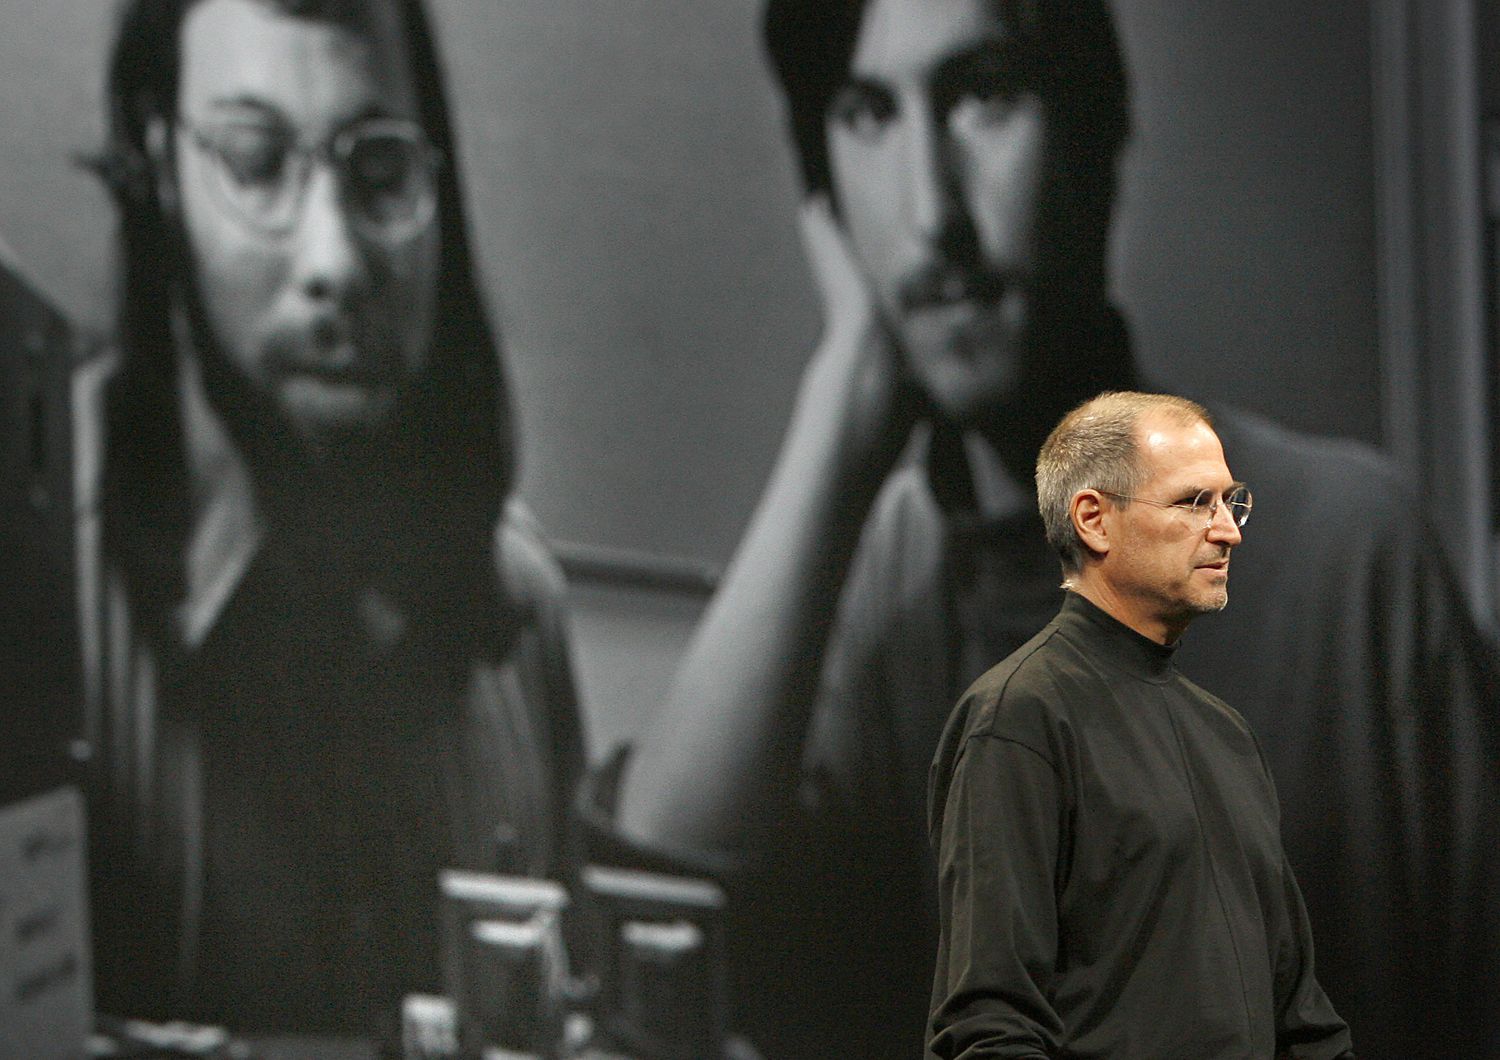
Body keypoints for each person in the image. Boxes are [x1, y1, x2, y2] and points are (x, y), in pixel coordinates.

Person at [613, 0, 1499, 1055]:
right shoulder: (877, 594)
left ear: (1095, 127)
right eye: (864, 114)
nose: (930, 209)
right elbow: (654, 916)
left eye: (983, 94)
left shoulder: (1351, 563)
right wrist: (841, 403)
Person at [78, 0, 586, 1041]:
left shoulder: (521, 610)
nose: (337, 262)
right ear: (158, 166)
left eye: (381, 173)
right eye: (256, 163)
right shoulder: (39, 586)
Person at [928, 390, 1353, 1058]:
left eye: (1230, 502)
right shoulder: (1018, 717)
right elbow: (991, 1023)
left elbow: (1301, 1016)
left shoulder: (1227, 736)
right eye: (1193, 503)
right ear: (1094, 521)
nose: (1228, 530)